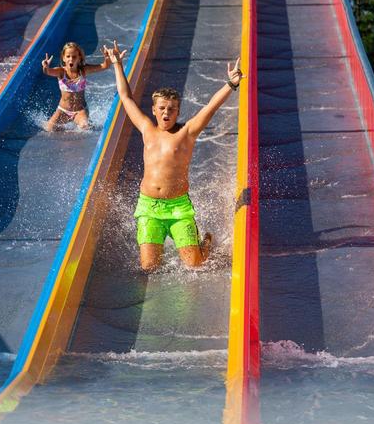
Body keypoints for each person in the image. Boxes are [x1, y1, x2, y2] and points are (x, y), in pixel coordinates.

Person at [103, 40, 243, 272]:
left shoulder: (186, 133)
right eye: (162, 108)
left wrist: (230, 84)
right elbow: (126, 97)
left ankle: (205, 241)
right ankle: (166, 240)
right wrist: (117, 64)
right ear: (154, 110)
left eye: (171, 108)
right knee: (149, 267)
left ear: (178, 111)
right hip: (148, 207)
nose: (166, 112)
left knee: (195, 265)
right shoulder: (147, 129)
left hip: (178, 208)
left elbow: (210, 107)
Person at [41, 41, 124, 131]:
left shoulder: (83, 70)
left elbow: (104, 66)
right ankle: (68, 131)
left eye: (74, 57)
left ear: (79, 58)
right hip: (63, 110)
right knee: (49, 128)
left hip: (79, 111)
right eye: (68, 56)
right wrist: (45, 67)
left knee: (85, 128)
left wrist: (107, 58)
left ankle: (87, 122)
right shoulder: (61, 72)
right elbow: (48, 72)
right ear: (63, 58)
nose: (71, 59)